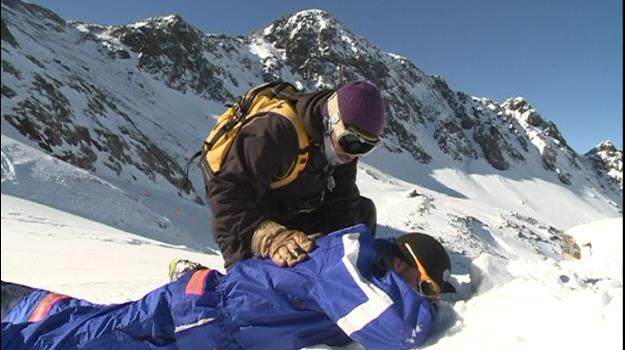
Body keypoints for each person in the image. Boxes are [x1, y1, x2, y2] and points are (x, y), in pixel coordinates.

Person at [1, 224, 456, 350]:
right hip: (198, 317)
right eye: (427, 287)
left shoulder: (365, 273)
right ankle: (24, 322)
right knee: (78, 343)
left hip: (208, 318)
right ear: (403, 263)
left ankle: (37, 306)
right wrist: (427, 311)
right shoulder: (348, 261)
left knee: (99, 328)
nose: (425, 296)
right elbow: (399, 333)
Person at [205, 80, 386, 269]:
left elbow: (343, 199)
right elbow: (225, 195)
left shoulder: (343, 149)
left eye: (367, 146)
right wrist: (271, 238)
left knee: (362, 213)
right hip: (244, 219)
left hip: (291, 210)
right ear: (332, 120)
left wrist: (344, 254)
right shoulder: (276, 132)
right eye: (350, 139)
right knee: (258, 291)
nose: (353, 152)